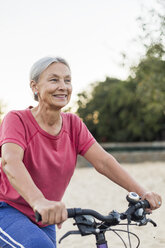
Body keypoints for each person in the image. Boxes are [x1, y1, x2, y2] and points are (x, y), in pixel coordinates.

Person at [0, 56, 162, 248]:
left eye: (67, 80)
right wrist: (39, 201)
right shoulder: (16, 119)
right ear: (35, 86)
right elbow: (10, 162)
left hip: (46, 216)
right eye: (54, 80)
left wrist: (141, 192)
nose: (63, 86)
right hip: (8, 209)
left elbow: (103, 161)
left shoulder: (74, 124)